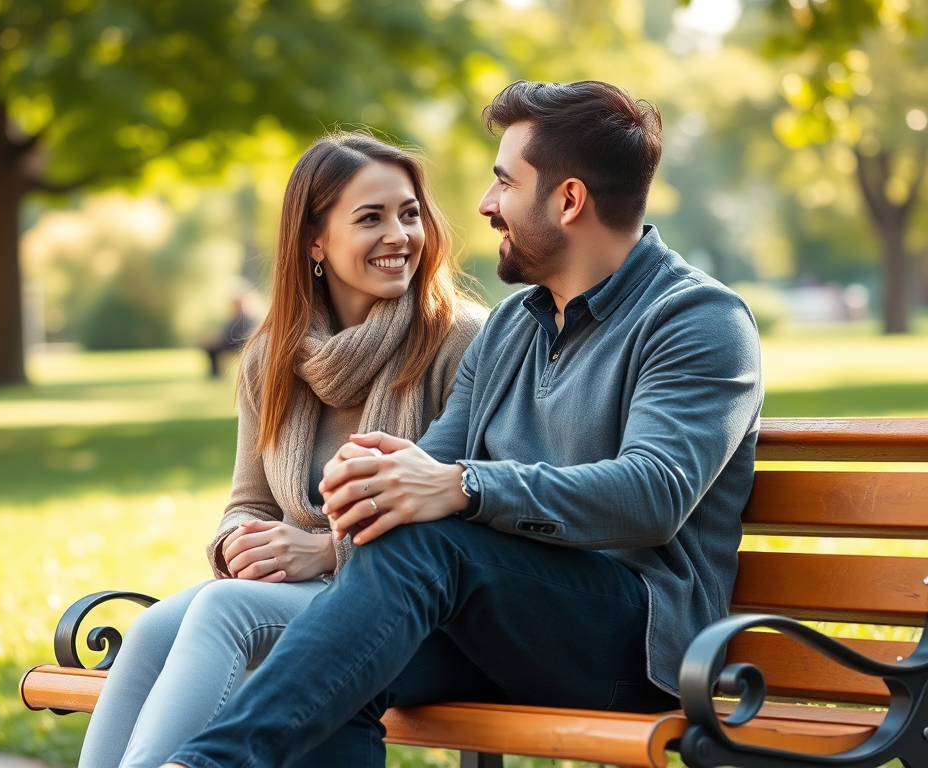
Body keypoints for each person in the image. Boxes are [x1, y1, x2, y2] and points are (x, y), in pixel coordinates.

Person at [162, 80, 763, 768]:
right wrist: (378, 484)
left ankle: (210, 764)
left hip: (639, 649)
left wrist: (464, 487)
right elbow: (427, 478)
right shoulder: (512, 326)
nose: (483, 205)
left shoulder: (697, 321)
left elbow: (652, 496)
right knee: (343, 673)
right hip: (501, 625)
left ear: (568, 200)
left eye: (504, 182)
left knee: (431, 546)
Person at [76, 132, 484, 768]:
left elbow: (464, 499)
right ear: (314, 240)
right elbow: (249, 500)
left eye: (409, 214)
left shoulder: (459, 341)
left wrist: (323, 549)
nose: (399, 236)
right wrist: (241, 544)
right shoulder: (272, 356)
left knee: (221, 611)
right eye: (370, 218)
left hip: (396, 600)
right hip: (292, 591)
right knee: (154, 628)